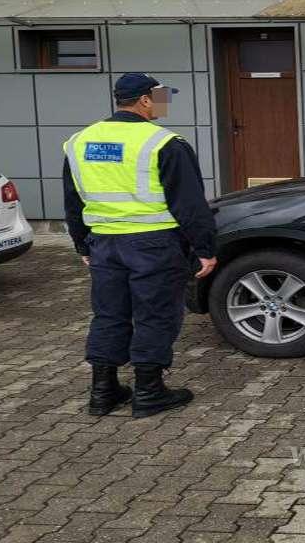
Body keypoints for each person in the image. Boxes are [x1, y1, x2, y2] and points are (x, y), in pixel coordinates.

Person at [62, 73, 217, 418]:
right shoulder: (164, 142)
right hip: (154, 245)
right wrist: (205, 248)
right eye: (161, 96)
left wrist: (82, 245)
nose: (165, 103)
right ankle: (149, 392)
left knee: (109, 315)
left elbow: (73, 201)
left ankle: (103, 392)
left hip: (104, 244)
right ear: (145, 100)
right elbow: (189, 204)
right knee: (155, 315)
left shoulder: (79, 142)